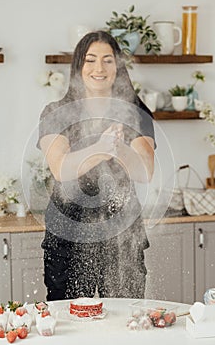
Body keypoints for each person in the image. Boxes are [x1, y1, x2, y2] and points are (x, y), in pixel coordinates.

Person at [37, 30, 156, 301]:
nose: (98, 68)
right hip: (67, 236)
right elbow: (62, 169)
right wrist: (99, 149)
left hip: (123, 237)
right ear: (78, 66)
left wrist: (119, 147)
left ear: (118, 67)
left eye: (108, 60)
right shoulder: (56, 112)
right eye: (90, 60)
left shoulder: (135, 112)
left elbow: (145, 171)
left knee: (123, 322)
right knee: (69, 324)